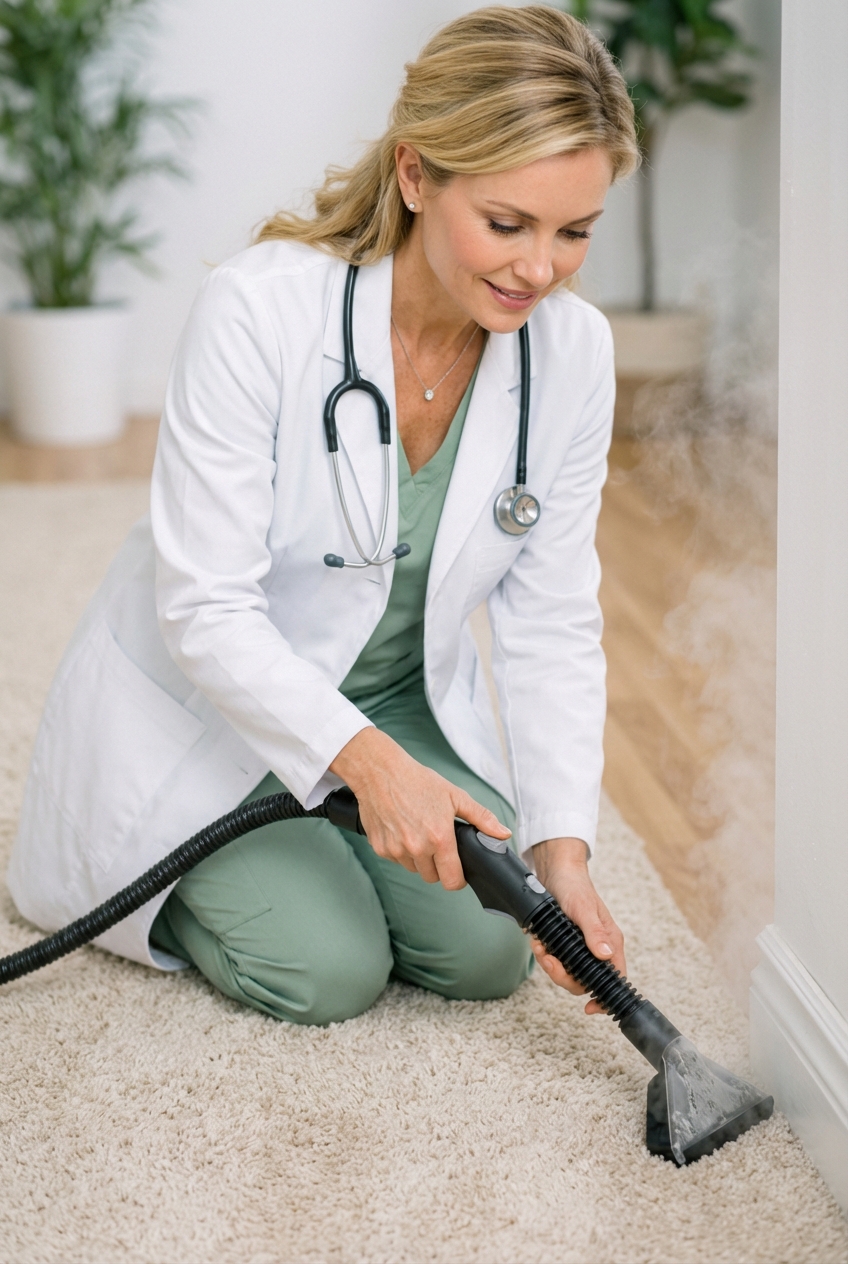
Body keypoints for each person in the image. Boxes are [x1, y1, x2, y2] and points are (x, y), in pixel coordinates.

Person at [7, 6, 640, 1025]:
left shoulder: (572, 352)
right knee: (327, 969)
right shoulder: (261, 312)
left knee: (490, 950)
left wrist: (561, 853)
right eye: (507, 224)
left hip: (392, 700)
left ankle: (344, 825)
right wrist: (370, 773)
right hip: (219, 712)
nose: (539, 270)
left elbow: (552, 617)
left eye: (574, 232)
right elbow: (207, 608)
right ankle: (210, 859)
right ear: (414, 176)